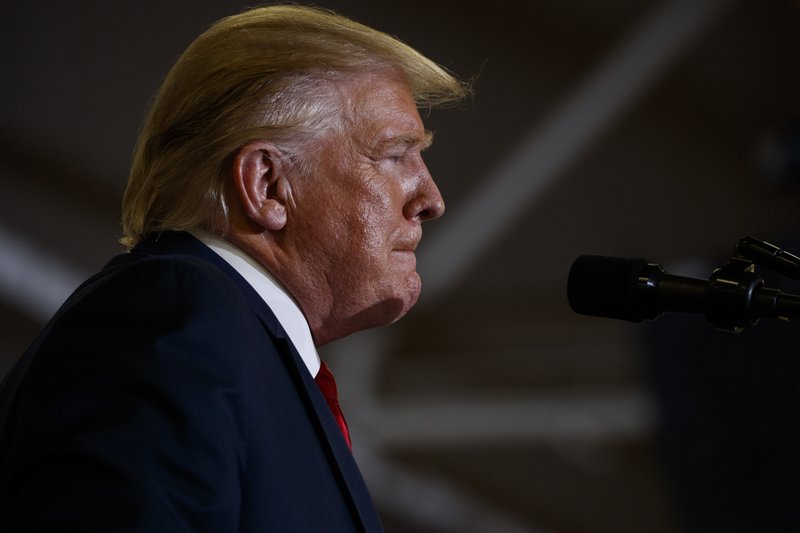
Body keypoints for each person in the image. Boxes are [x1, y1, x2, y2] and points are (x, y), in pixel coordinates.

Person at [0, 5, 469, 531]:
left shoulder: (237, 349)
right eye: (394, 155)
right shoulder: (176, 315)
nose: (431, 199)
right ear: (267, 186)